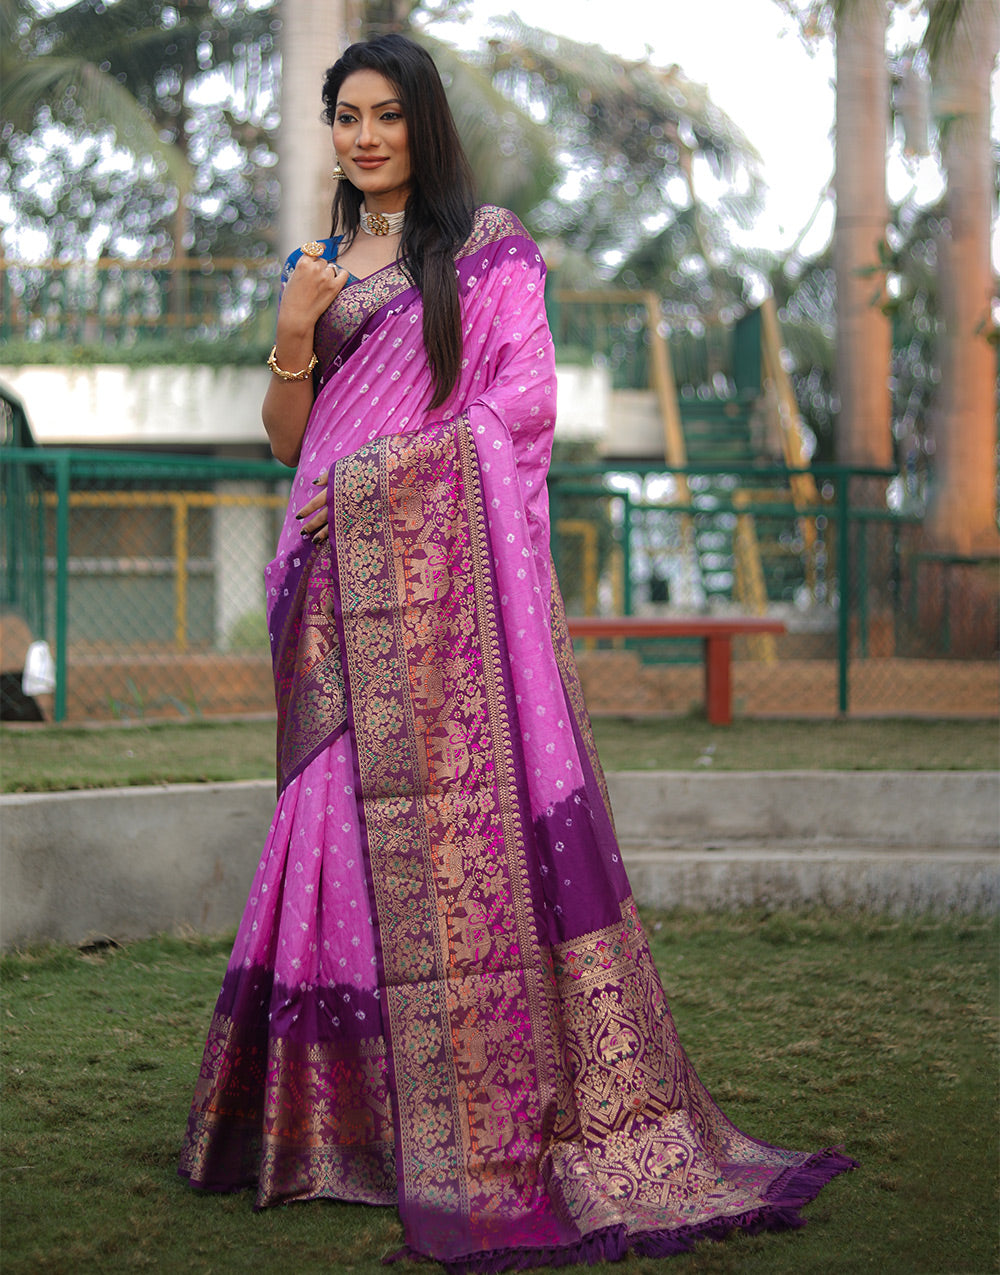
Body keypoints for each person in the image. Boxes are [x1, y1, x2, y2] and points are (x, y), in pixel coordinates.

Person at [179, 32, 855, 1271]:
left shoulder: (486, 247)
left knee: (455, 829)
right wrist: (293, 326)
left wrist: (382, 473)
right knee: (325, 819)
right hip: (334, 591)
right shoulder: (322, 268)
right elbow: (289, 441)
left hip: (442, 603)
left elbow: (521, 405)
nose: (365, 136)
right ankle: (343, 1132)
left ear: (421, 123)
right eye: (346, 116)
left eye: (386, 114)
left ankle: (468, 1118)